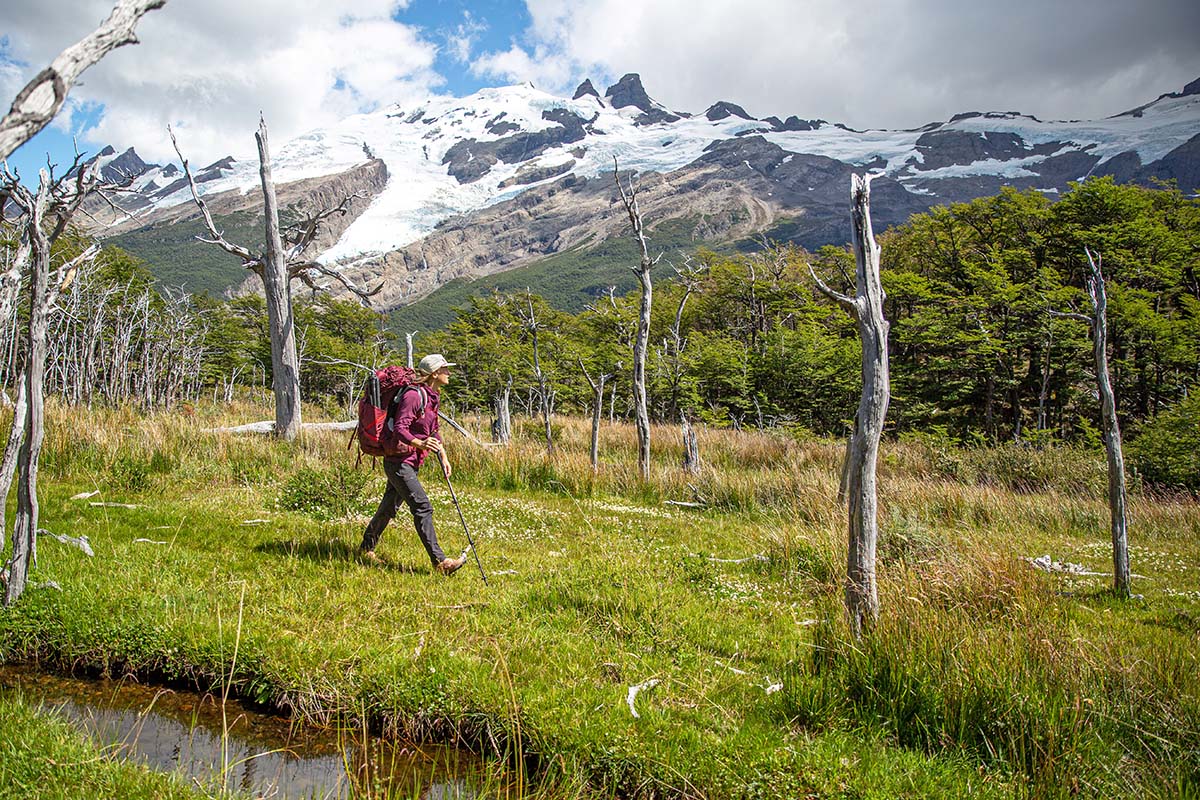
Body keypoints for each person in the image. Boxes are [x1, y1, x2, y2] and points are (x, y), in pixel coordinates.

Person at [360, 354, 466, 575]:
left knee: (389, 506)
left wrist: (443, 456)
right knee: (422, 507)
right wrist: (421, 443)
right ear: (434, 373)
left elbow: (433, 429)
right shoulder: (413, 396)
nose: (449, 373)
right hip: (398, 462)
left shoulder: (432, 396)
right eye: (445, 370)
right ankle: (440, 562)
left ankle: (366, 547)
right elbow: (400, 428)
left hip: (409, 460)